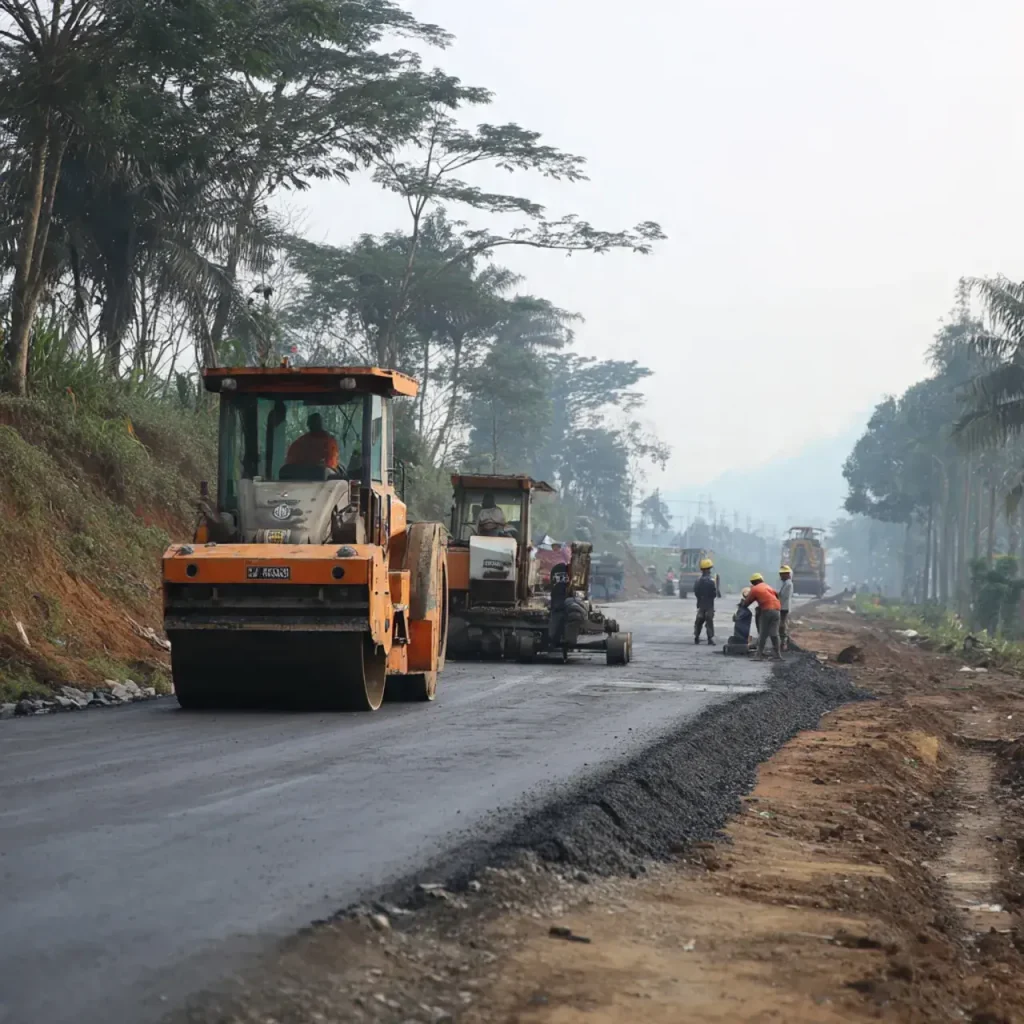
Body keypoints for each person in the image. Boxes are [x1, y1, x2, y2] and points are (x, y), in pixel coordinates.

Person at [741, 572, 783, 660]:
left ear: (754, 582)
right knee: (774, 633)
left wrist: (742, 606)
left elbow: (748, 601)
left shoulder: (755, 589)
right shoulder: (768, 587)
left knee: (763, 633)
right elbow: (776, 596)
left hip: (767, 610)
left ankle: (759, 655)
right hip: (777, 610)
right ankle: (778, 655)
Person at [692, 557, 720, 645]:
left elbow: (696, 592)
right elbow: (714, 594)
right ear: (709, 569)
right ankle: (710, 638)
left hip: (701, 603)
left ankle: (696, 637)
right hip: (709, 604)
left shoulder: (698, 580)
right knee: (709, 620)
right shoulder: (712, 581)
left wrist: (699, 600)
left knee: (699, 620)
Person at [548, 560, 570, 645]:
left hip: (557, 601)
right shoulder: (569, 571)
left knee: (555, 619)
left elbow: (552, 585)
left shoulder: (555, 569)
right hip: (566, 601)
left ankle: (554, 640)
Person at [777, 565, 794, 651]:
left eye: (782, 574)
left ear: (787, 574)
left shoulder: (788, 584)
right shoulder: (786, 583)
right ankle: (783, 642)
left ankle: (784, 642)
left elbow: (783, 596)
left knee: (782, 625)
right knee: (782, 625)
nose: (780, 576)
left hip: (784, 607)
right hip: (783, 607)